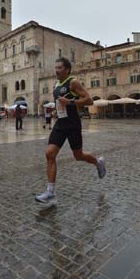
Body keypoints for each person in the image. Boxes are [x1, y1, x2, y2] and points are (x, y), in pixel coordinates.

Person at [35, 57, 106, 204]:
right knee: (49, 154)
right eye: (56, 67)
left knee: (78, 155)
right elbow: (59, 102)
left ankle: (98, 162)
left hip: (73, 124)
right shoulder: (56, 84)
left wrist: (71, 102)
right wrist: (56, 110)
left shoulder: (73, 82)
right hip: (60, 123)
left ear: (67, 69)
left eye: (60, 68)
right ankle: (50, 192)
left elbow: (89, 100)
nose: (57, 70)